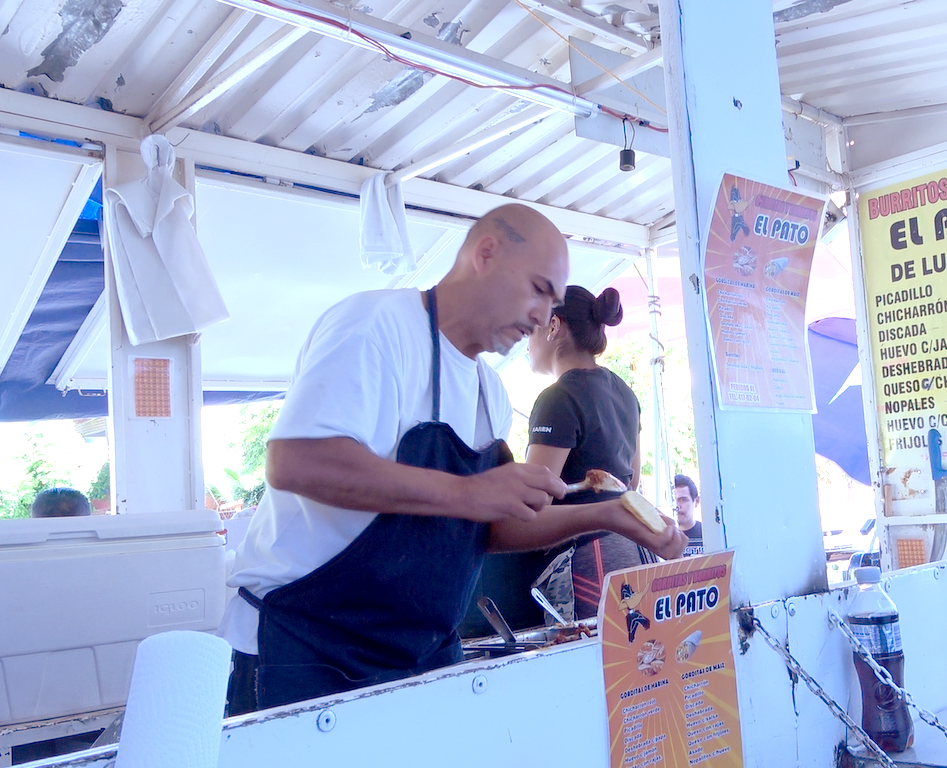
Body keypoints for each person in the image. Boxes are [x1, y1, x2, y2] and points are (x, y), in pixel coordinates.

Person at [220, 204, 686, 714]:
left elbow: (492, 528)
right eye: (538, 289)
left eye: (553, 302)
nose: (541, 317)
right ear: (485, 254)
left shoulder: (488, 392)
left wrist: (605, 515)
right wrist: (469, 491)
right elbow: (296, 462)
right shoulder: (377, 326)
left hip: (421, 658)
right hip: (306, 654)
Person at [524, 285, 646, 621]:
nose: (526, 341)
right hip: (631, 553)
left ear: (553, 326)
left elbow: (534, 500)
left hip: (585, 564)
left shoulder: (557, 398)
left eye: (532, 328)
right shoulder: (625, 392)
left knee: (585, 651)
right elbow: (632, 481)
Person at [673, 474, 704, 557]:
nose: (677, 506)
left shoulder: (707, 534)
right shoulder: (663, 537)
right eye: (673, 500)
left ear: (696, 501)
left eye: (683, 499)